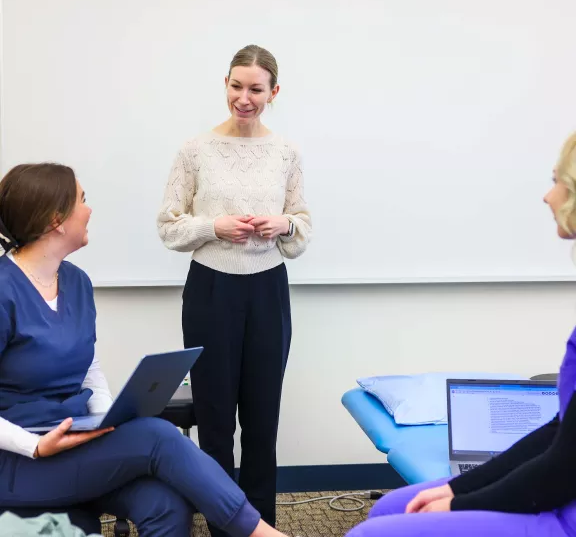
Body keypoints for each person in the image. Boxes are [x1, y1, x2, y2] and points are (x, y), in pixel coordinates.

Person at [0, 162, 291, 537]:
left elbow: (88, 367)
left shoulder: (75, 282)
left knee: (167, 505)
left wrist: (106, 420)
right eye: (82, 201)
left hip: (76, 443)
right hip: (22, 460)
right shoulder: (5, 290)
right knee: (156, 435)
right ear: (57, 220)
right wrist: (35, 446)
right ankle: (261, 534)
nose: (89, 210)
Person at [346, 130, 576, 537]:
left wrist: (459, 504)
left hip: (566, 509)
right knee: (390, 509)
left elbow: (561, 469)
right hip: (561, 480)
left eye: (557, 181)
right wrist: (457, 486)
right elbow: (560, 431)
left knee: (371, 533)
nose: (547, 196)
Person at [157, 44, 312, 535]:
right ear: (225, 84)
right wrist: (213, 226)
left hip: (268, 291)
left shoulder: (286, 152)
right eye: (236, 86)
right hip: (210, 291)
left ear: (273, 92)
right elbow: (168, 227)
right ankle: (227, 525)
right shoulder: (194, 150)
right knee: (216, 420)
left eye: (256, 89)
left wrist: (284, 224)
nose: (244, 98)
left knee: (263, 420)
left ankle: (262, 526)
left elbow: (303, 229)